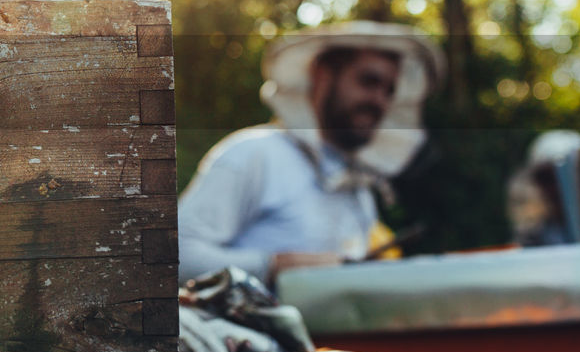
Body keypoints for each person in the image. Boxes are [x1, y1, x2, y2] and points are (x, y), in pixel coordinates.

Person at [178, 22, 444, 284]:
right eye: (368, 81)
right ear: (322, 75)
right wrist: (276, 266)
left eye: (389, 91)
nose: (379, 101)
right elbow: (170, 259)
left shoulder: (359, 189)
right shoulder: (254, 154)